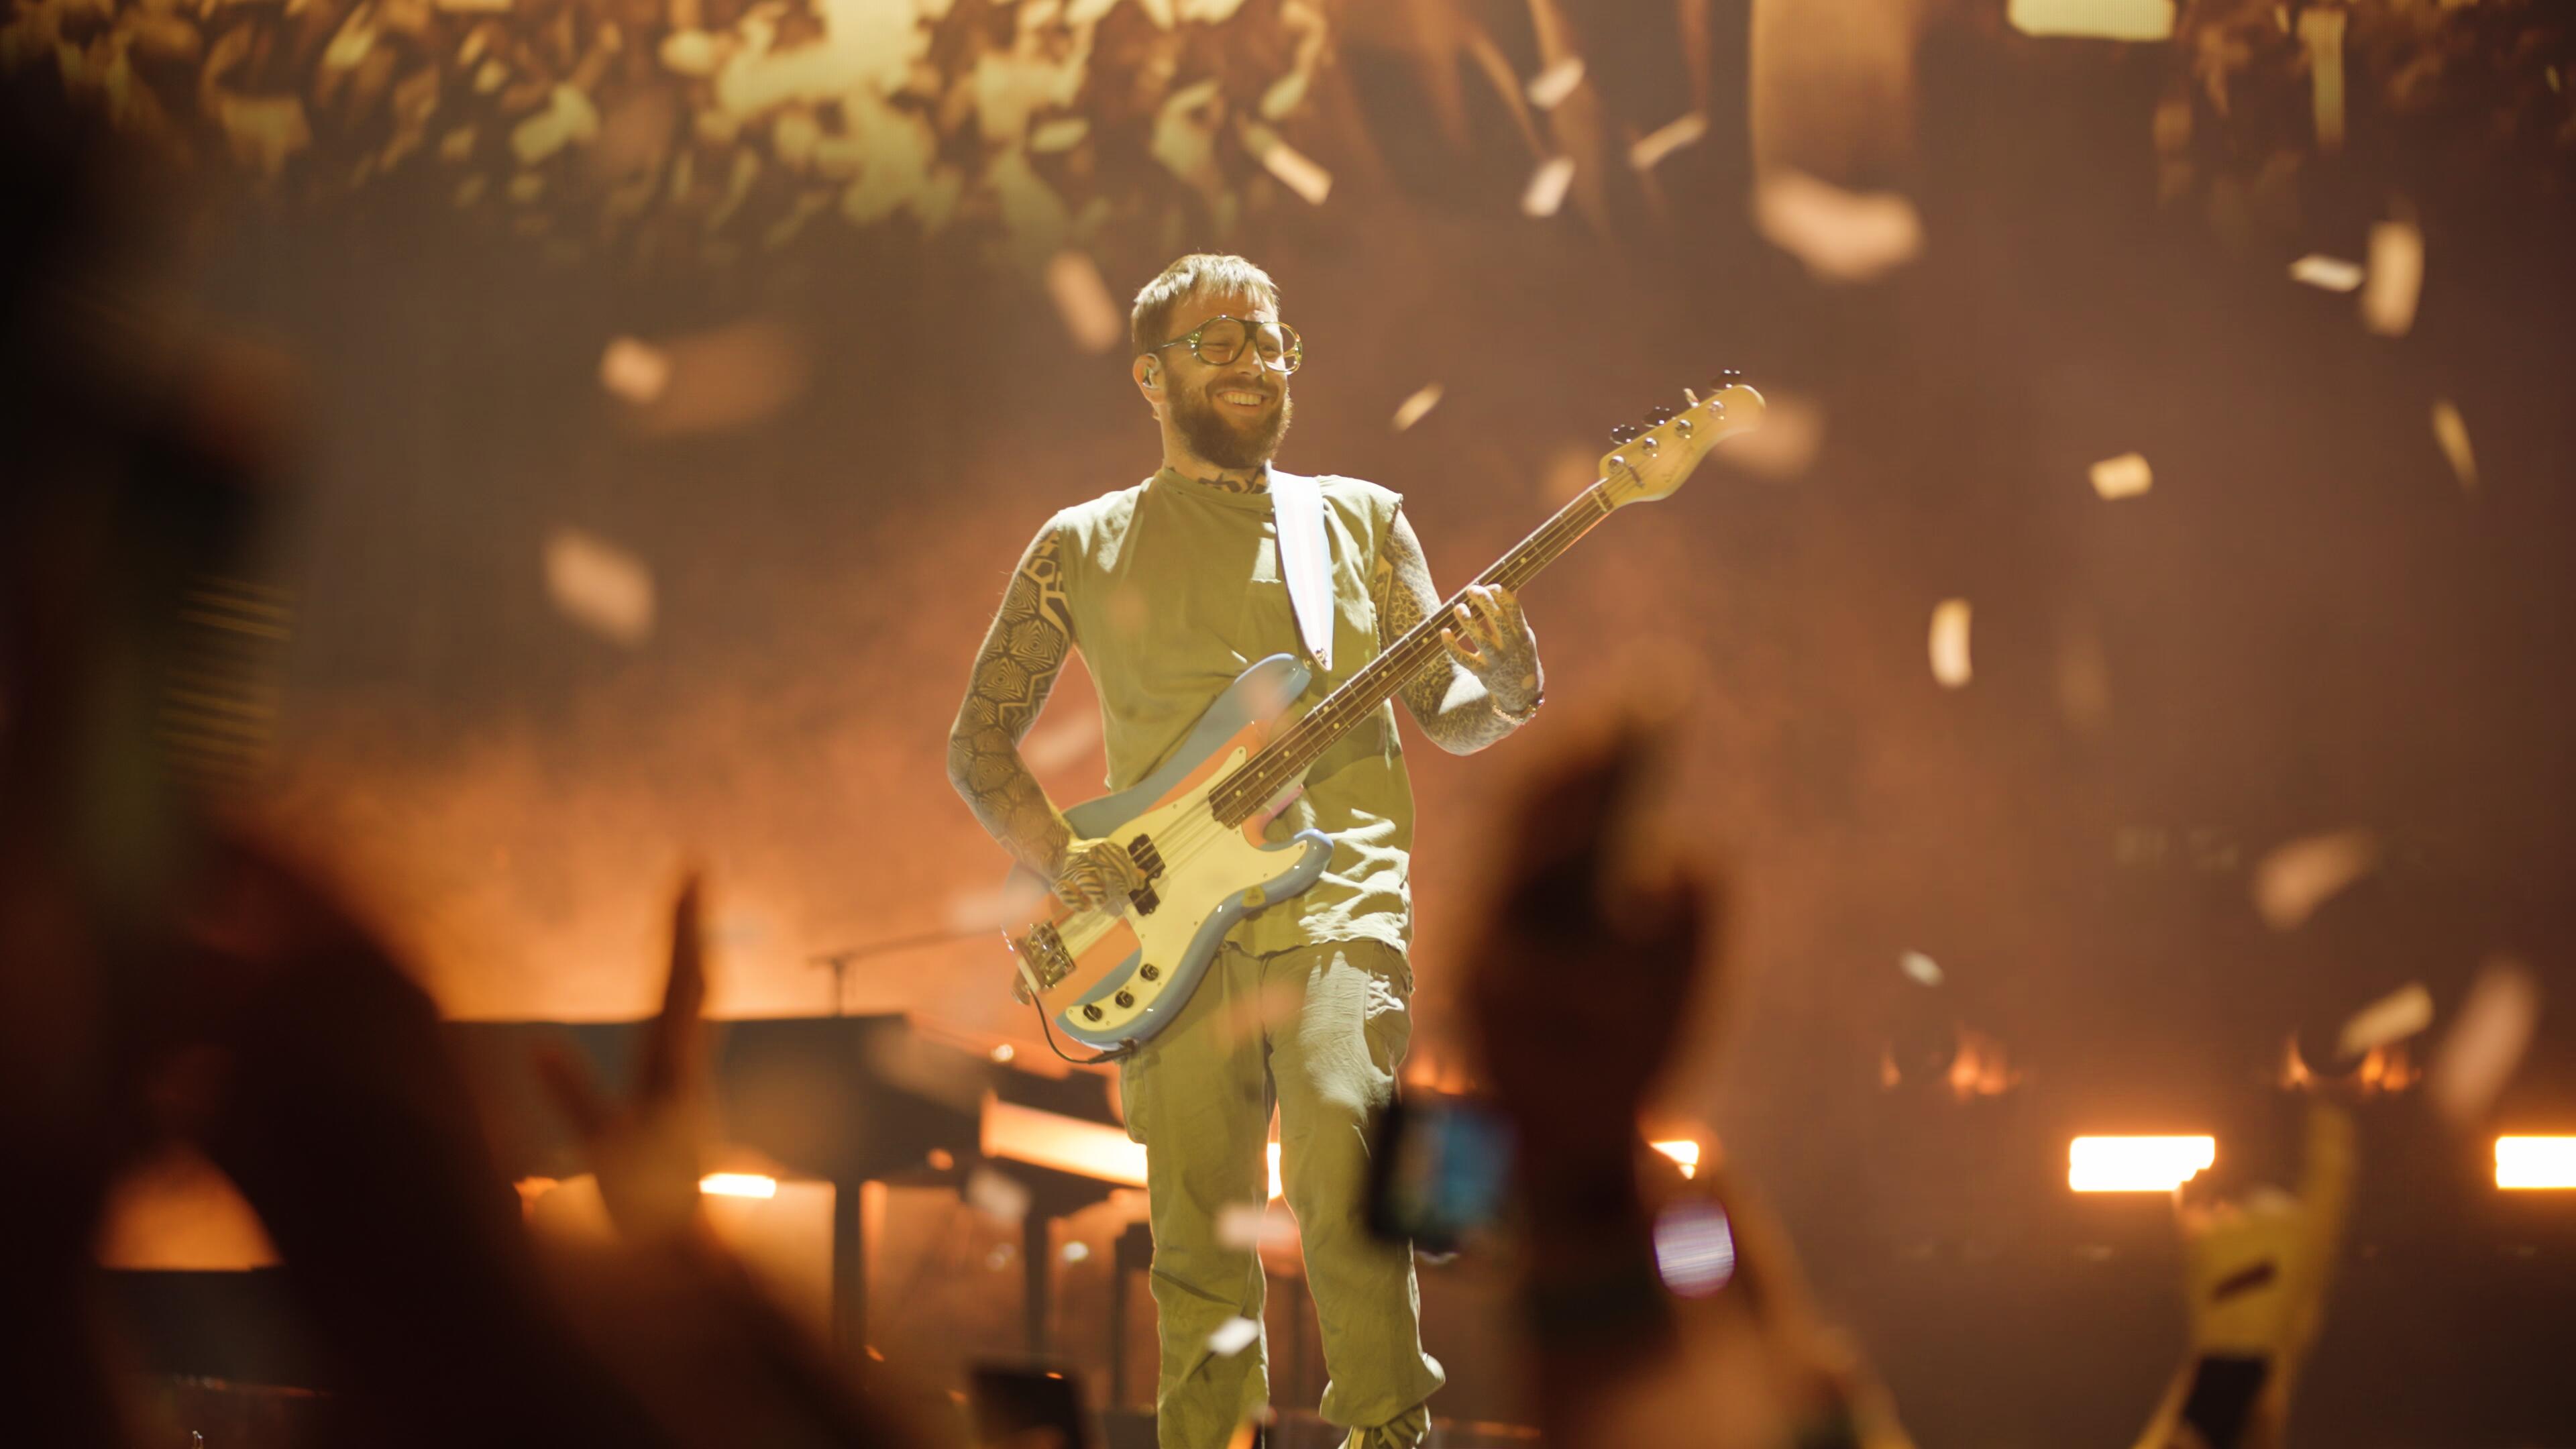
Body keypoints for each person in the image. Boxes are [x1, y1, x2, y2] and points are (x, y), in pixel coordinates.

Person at [945, 253, 1546, 1449]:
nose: (1254, 363)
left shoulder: (1361, 522)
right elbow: (979, 746)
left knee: (1348, 1176)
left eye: (1270, 342)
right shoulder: (1080, 544)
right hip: (1164, 933)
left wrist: (1515, 676)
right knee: (1199, 1250)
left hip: (1338, 904)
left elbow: (1450, 716)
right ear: (1150, 378)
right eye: (1219, 343)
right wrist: (1065, 861)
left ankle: (1391, 1438)